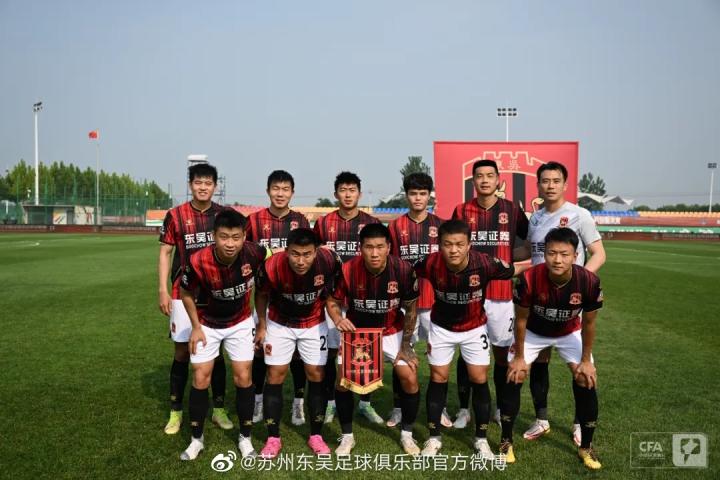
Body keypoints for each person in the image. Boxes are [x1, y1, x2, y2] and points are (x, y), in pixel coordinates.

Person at [501, 227, 603, 470]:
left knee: (586, 378)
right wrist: (519, 357)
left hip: (569, 331)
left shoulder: (589, 281)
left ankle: (586, 447)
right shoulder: (528, 279)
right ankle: (506, 441)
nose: (558, 260)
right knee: (515, 374)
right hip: (534, 332)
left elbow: (589, 324)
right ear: (544, 253)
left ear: (576, 256)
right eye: (552, 253)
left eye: (564, 254)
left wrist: (586, 361)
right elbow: (521, 320)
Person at [415, 219, 515, 459]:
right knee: (438, 378)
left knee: (479, 379)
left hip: (474, 328)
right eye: (447, 244)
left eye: (459, 244)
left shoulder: (485, 263)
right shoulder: (430, 263)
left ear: (469, 244)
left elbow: (514, 270)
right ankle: (434, 438)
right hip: (441, 328)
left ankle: (481, 440)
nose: (453, 250)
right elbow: (405, 271)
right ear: (439, 245)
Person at [523, 161, 606, 445]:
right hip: (538, 299)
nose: (550, 186)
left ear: (565, 185)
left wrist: (580, 284)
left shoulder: (579, 215)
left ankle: (580, 423)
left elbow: (599, 253)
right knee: (540, 360)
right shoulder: (535, 218)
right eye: (545, 181)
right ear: (538, 185)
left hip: (569, 302)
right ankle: (541, 419)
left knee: (579, 366)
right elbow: (530, 253)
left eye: (556, 181)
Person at [179, 209, 267, 461]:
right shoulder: (197, 261)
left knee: (243, 376)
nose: (230, 243)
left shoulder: (256, 253)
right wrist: (195, 326)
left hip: (240, 322)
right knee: (200, 377)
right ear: (213, 236)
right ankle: (196, 440)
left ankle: (245, 439)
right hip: (207, 323)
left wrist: (262, 323)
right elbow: (185, 292)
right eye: (224, 237)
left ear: (244, 237)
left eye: (236, 237)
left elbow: (272, 270)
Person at [326, 223, 421, 455]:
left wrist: (406, 345)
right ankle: (347, 437)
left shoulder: (404, 270)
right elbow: (332, 301)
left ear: (389, 247)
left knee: (409, 377)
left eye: (380, 247)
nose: (375, 253)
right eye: (369, 247)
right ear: (361, 248)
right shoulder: (347, 270)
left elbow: (411, 308)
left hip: (392, 330)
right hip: (358, 333)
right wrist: (338, 319)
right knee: (342, 382)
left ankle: (407, 435)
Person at [451, 159, 529, 429]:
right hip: (469, 293)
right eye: (479, 176)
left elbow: (529, 242)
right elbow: (453, 246)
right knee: (466, 351)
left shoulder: (512, 210)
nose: (484, 180)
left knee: (501, 354)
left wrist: (508, 261)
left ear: (498, 180)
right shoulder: (461, 210)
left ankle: (499, 408)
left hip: (501, 295)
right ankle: (464, 410)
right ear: (473, 181)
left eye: (489, 175)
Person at [253, 228, 341, 458]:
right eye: (295, 254)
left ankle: (316, 436)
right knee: (275, 375)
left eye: (307, 254)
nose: (301, 261)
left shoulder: (329, 260)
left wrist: (338, 317)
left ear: (316, 251)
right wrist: (261, 324)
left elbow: (334, 292)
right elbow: (261, 295)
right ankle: (273, 438)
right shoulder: (270, 267)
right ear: (286, 251)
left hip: (313, 323)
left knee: (316, 374)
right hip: (279, 323)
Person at [157, 163, 232, 435]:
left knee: (218, 352)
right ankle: (176, 412)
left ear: (215, 186)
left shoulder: (223, 214)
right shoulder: (175, 215)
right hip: (182, 292)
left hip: (216, 293)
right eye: (198, 182)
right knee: (181, 352)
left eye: (208, 183)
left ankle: (219, 409)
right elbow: (166, 253)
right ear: (190, 185)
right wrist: (163, 289)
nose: (203, 187)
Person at [313, 171, 383, 424]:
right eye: (343, 190)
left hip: (362, 298)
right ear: (336, 194)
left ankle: (365, 402)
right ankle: (331, 402)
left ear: (359, 194)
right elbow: (313, 256)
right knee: (332, 352)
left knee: (367, 349)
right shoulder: (323, 223)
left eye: (352, 190)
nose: (347, 194)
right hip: (331, 297)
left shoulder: (371, 222)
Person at [386, 172, 452, 429]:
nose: (418, 198)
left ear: (429, 196)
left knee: (440, 358)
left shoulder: (441, 226)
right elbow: (390, 264)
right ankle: (398, 408)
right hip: (405, 304)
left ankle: (441, 408)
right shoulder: (394, 227)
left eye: (423, 194)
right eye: (413, 193)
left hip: (436, 302)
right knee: (401, 356)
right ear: (406, 195)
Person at [246, 170, 311, 426]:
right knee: (259, 351)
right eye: (276, 188)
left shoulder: (301, 220)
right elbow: (245, 253)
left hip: (294, 297)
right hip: (264, 297)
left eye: (285, 189)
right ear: (268, 191)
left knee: (297, 356)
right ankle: (258, 400)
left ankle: (298, 403)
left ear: (292, 192)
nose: (280, 194)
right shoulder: (253, 221)